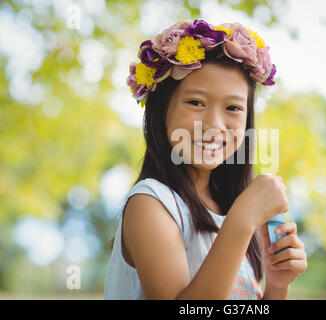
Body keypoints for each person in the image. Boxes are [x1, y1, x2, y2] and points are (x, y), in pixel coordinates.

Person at [104, 19, 307, 300]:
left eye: (233, 108)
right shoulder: (151, 204)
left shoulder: (229, 209)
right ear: (161, 110)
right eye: (196, 102)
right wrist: (242, 220)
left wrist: (277, 286)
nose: (214, 125)